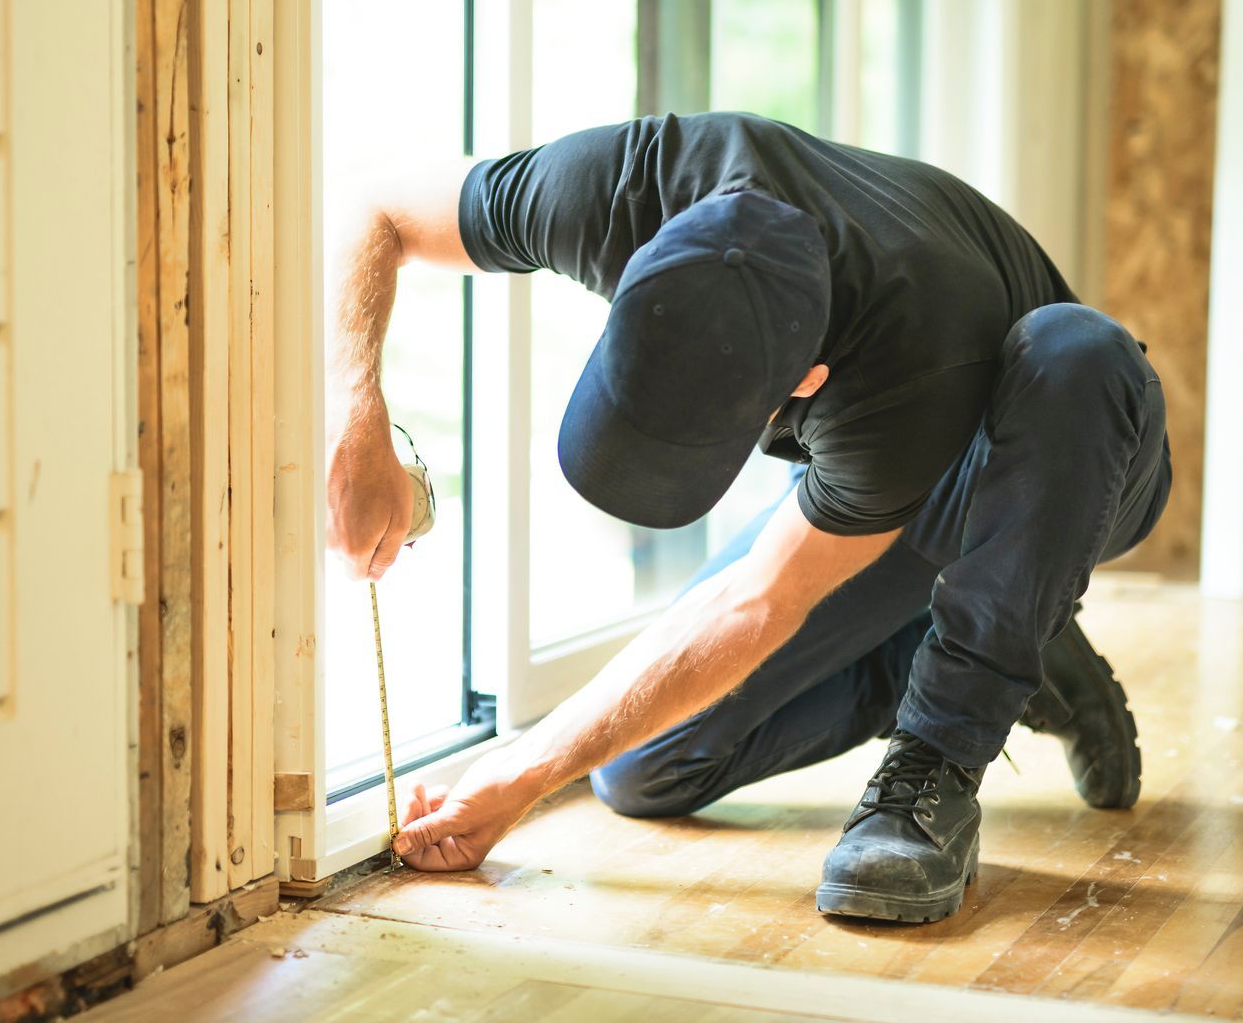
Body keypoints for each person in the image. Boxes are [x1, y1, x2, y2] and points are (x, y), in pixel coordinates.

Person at [326, 112, 1170, 924]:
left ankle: (944, 746)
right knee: (641, 769)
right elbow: (378, 208)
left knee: (1073, 351)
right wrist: (355, 411)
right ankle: (1018, 651)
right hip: (897, 472)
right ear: (623, 275)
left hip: (1071, 465)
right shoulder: (628, 183)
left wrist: (523, 771)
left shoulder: (905, 365)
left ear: (804, 382)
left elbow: (760, 601)